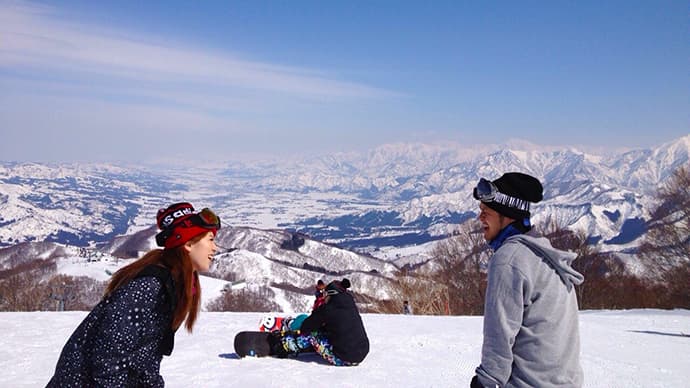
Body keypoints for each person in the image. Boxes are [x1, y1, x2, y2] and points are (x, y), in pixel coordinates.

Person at [47, 202, 221, 387]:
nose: (215, 248)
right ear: (188, 243)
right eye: (210, 239)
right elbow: (107, 358)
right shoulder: (149, 287)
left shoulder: (173, 286)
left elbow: (146, 357)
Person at [469, 173, 584, 388]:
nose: (480, 218)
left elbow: (500, 335)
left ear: (507, 215)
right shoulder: (542, 252)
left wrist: (486, 382)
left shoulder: (509, 260)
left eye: (486, 212)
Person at [270, 278, 369, 366]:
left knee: (311, 333)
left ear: (331, 294)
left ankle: (285, 345)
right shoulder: (351, 306)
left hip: (342, 359)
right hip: (361, 356)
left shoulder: (328, 308)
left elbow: (306, 327)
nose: (324, 297)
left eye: (325, 294)